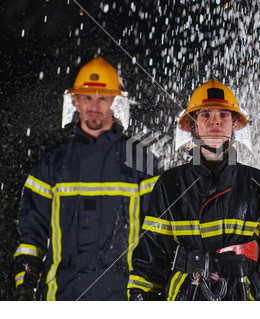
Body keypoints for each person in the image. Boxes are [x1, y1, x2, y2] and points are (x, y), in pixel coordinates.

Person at [128, 79, 260, 301]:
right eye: (205, 115)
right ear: (193, 126)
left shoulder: (259, 184)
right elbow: (151, 261)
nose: (215, 122)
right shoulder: (170, 185)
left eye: (224, 115)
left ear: (235, 124)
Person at [13, 57, 159, 300]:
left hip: (124, 301)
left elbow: (157, 235)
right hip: (63, 298)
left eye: (103, 98)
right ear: (75, 101)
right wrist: (25, 286)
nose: (94, 105)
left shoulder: (141, 160)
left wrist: (149, 292)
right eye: (87, 97)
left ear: (114, 102)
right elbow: (31, 235)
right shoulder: (51, 163)